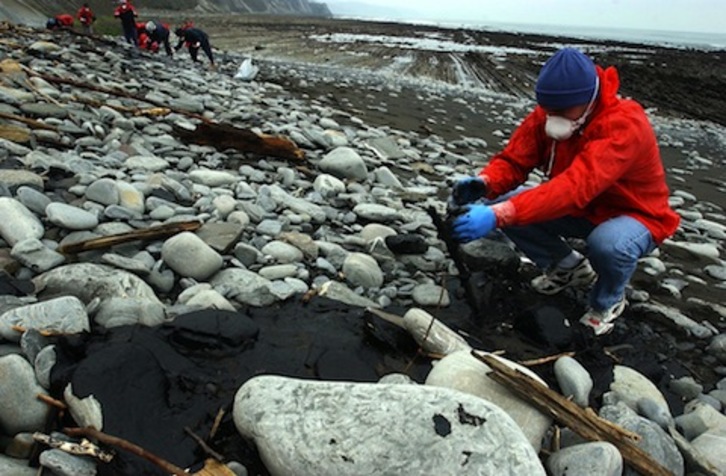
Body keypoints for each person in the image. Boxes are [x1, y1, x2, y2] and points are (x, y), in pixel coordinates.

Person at [450, 47, 680, 336]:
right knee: (502, 200)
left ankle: (607, 300)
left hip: (635, 214)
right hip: (582, 209)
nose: (552, 116)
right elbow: (514, 160)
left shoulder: (623, 124)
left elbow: (574, 187)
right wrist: (485, 183)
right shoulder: (547, 115)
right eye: (548, 109)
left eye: (561, 110)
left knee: (608, 245)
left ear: (589, 99)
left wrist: (498, 215)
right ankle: (568, 266)